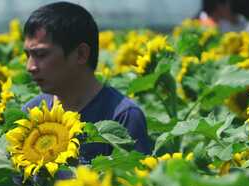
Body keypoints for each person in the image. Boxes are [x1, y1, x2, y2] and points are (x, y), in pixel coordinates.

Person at [22, 2, 152, 165]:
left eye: (41, 54)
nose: (30, 67)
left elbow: (133, 183)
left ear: (81, 54)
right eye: (27, 55)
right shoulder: (30, 113)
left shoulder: (122, 116)